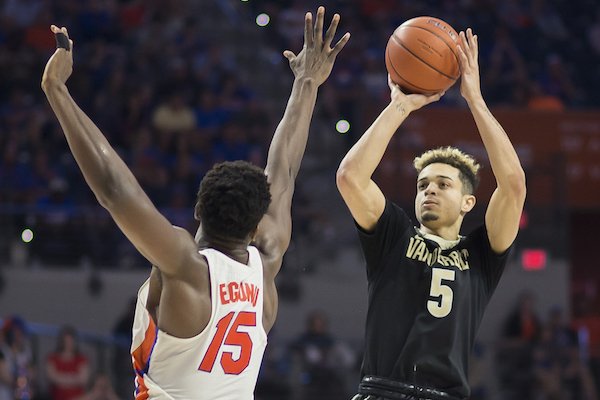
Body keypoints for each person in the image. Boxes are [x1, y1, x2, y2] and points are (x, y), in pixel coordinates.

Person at [41, 6, 349, 400]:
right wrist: (308, 83)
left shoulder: (186, 266)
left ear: (198, 210)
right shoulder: (266, 263)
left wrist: (57, 89)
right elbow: (284, 171)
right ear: (257, 225)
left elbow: (115, 190)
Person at [336, 28, 527, 400]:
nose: (430, 191)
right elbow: (350, 177)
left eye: (443, 184)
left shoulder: (482, 255)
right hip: (382, 391)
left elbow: (514, 185)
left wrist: (474, 99)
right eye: (423, 185)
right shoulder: (394, 235)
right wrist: (399, 107)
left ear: (468, 202)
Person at [45, 325, 90, 400]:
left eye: (71, 340)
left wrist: (62, 378)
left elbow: (83, 380)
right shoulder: (52, 358)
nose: (68, 344)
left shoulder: (81, 359)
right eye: (66, 341)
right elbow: (53, 378)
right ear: (61, 341)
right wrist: (74, 378)